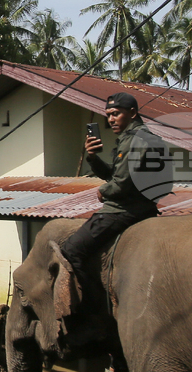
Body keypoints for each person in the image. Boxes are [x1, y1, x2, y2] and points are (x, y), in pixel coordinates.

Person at [60, 92, 168, 314]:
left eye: (116, 114)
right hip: (136, 206)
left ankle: (93, 309)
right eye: (108, 115)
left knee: (71, 250)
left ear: (133, 113)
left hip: (124, 210)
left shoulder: (137, 140)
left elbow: (120, 184)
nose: (110, 120)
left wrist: (103, 191)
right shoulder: (133, 138)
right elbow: (115, 175)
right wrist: (92, 158)